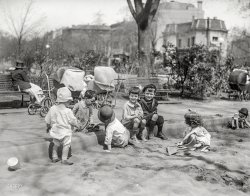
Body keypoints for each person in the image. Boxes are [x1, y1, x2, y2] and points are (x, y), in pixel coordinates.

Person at [45, 87, 81, 165]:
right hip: (65, 132)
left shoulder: (52, 109)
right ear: (68, 101)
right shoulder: (68, 111)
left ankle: (54, 157)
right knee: (66, 145)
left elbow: (47, 119)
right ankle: (64, 159)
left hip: (56, 131)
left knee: (55, 144)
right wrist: (77, 125)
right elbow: (73, 121)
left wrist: (48, 126)